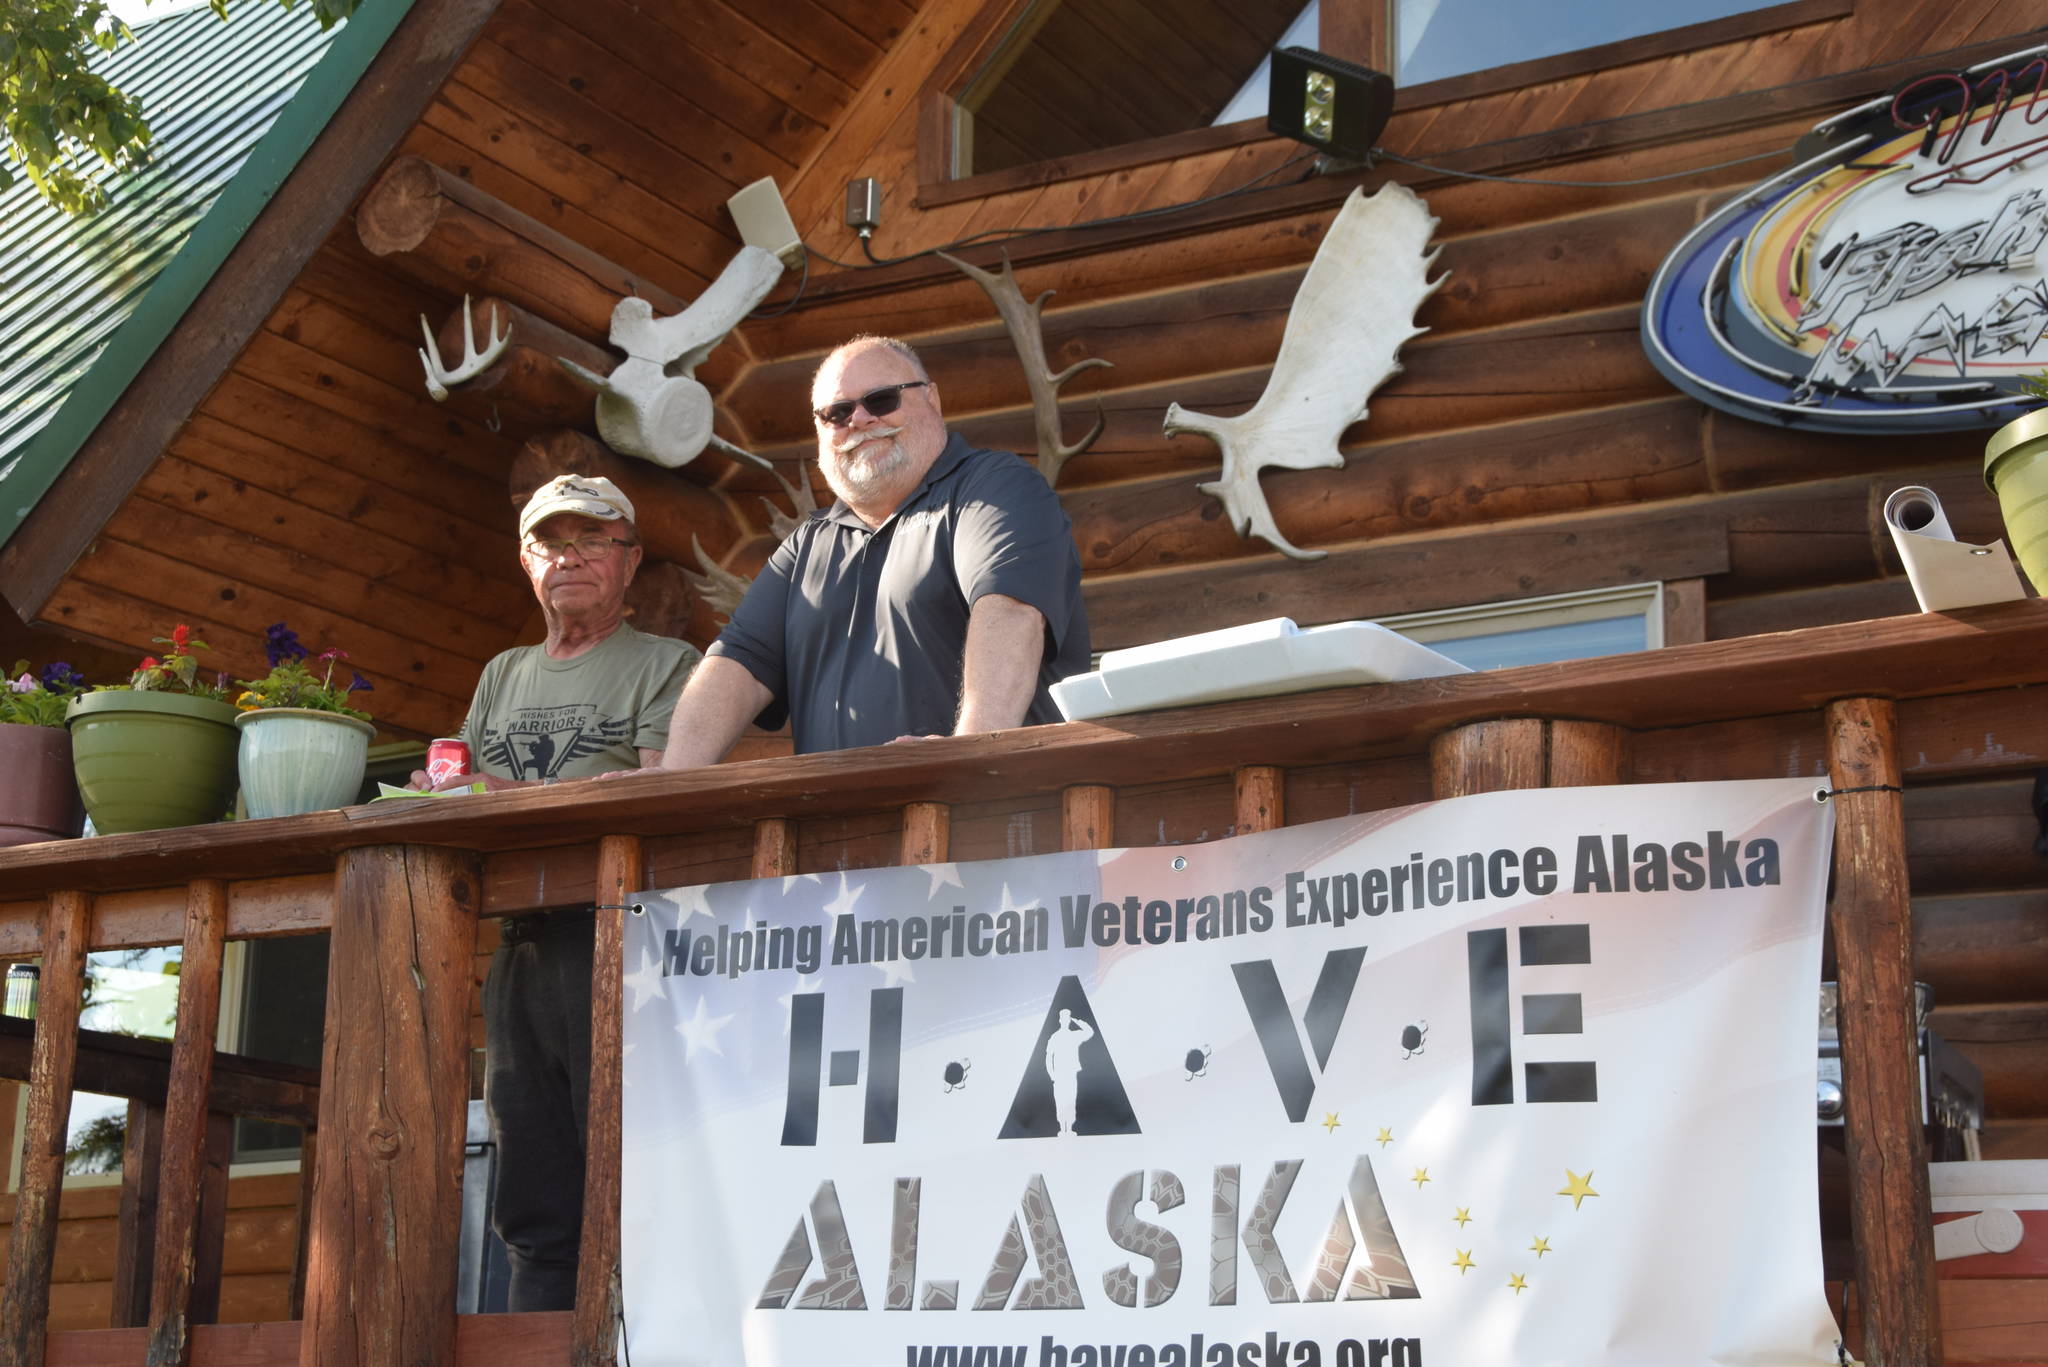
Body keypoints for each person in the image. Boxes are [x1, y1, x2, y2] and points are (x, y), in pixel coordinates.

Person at [414, 472, 698, 1312]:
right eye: (550, 542)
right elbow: (459, 778)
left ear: (629, 560)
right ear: (526, 561)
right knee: (531, 1187)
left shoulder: (667, 663)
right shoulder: (502, 673)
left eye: (591, 540)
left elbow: (660, 795)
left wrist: (498, 798)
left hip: (617, 937)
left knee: (625, 1171)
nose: (568, 557)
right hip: (519, 946)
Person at [650, 334, 1089, 765]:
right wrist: (671, 781)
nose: (859, 420)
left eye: (880, 400)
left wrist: (970, 757)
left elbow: (1010, 610)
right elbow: (735, 664)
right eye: (837, 413)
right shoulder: (807, 544)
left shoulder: (994, 485)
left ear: (932, 400)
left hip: (990, 816)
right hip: (839, 825)